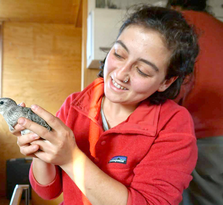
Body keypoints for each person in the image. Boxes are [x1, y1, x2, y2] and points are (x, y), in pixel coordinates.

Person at [12, 6, 199, 205]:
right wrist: (39, 149)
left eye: (142, 71)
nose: (120, 74)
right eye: (118, 54)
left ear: (166, 82)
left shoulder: (173, 124)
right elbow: (48, 191)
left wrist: (71, 159)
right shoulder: (75, 104)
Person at [166, 1, 223, 204]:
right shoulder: (219, 26)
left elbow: (172, 88)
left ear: (173, 5)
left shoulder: (175, 26)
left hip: (199, 139)